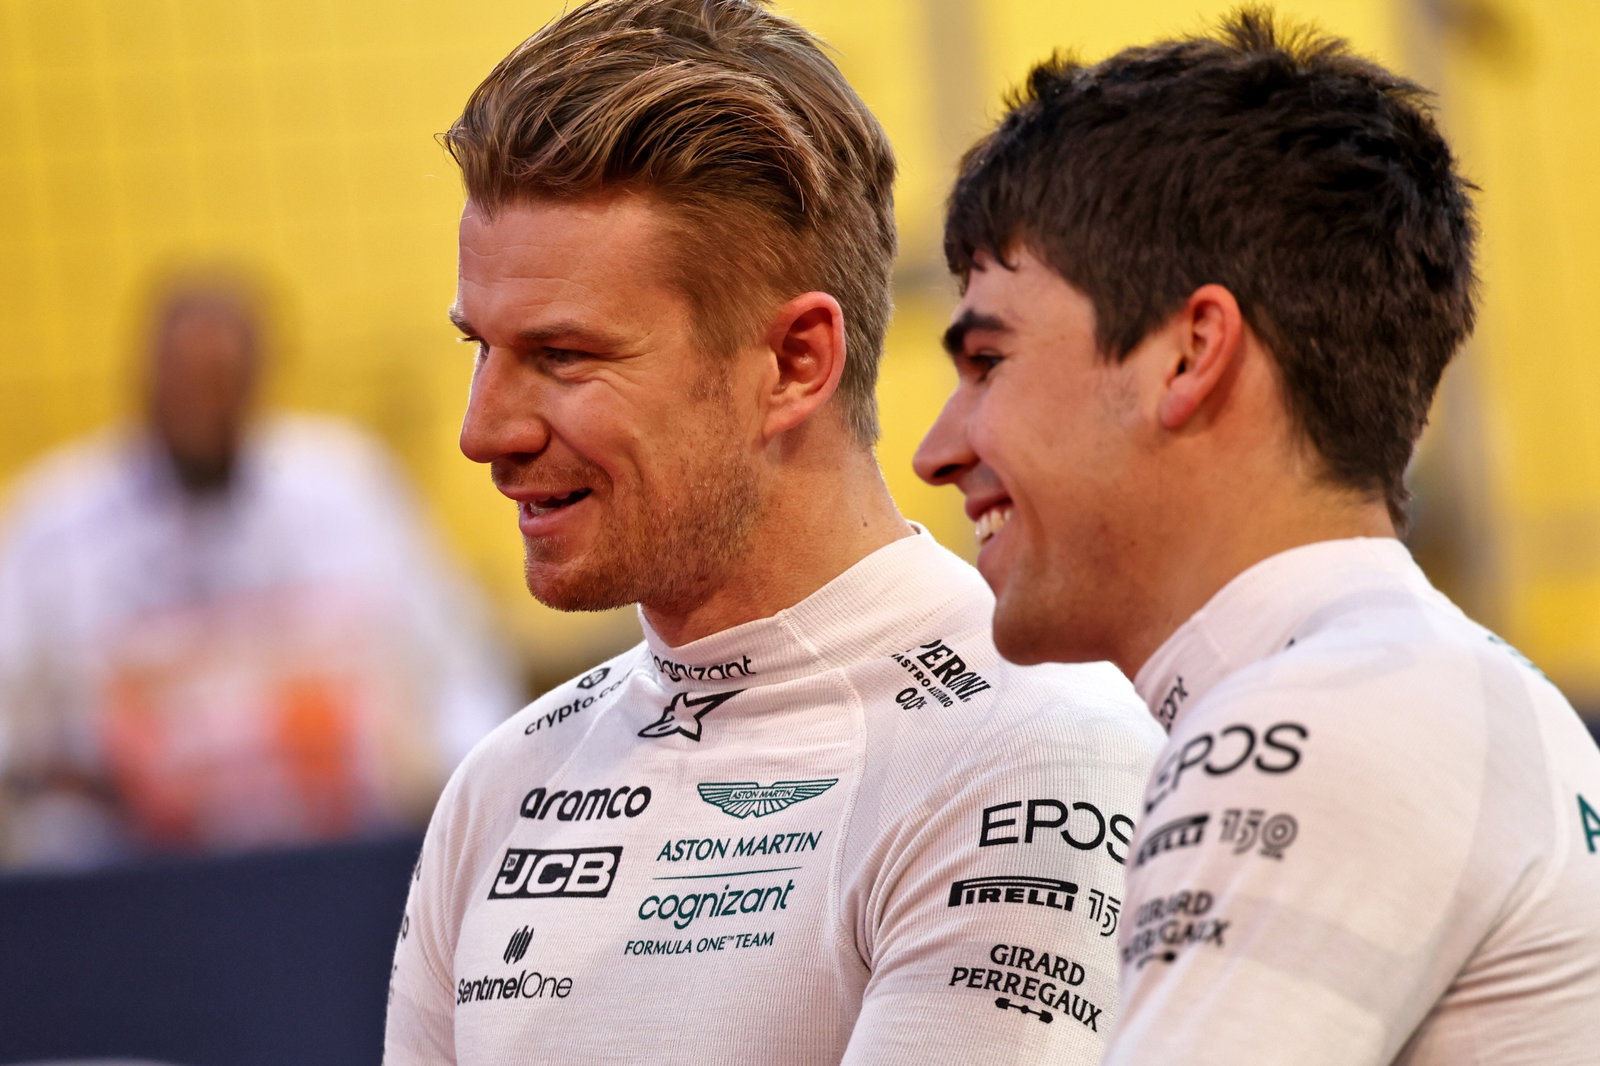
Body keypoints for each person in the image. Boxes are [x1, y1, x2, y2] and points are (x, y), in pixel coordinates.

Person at [382, 2, 1163, 1064]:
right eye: (482, 346)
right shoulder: (503, 787)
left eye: (564, 356)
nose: (486, 431)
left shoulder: (1034, 758)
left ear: (795, 362)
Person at [914, 10, 1600, 1065]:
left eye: (987, 361)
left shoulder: (1318, 717)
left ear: (1190, 355)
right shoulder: (1422, 685)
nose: (936, 449)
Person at [0, 269, 519, 867]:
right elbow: (19, 736)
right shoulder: (54, 525)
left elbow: (461, 673)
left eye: (222, 382)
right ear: (146, 379)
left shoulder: (345, 487)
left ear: (258, 378)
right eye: (187, 381)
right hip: (135, 875)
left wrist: (472, 813)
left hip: (349, 854)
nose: (205, 405)